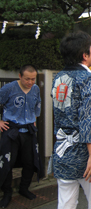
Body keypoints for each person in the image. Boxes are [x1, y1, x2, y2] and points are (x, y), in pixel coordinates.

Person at [51, 31, 91, 209]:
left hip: (62, 150)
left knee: (65, 203)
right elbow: (89, 119)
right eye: (90, 50)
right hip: (84, 153)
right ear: (85, 55)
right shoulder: (88, 79)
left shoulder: (58, 77)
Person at [0, 65, 43, 208]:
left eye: (33, 79)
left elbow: (37, 105)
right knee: (8, 163)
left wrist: (34, 121)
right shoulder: (9, 88)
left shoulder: (36, 89)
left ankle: (24, 189)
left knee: (30, 162)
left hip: (28, 130)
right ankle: (7, 193)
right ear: (20, 76)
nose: (30, 82)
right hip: (11, 130)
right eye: (27, 79)